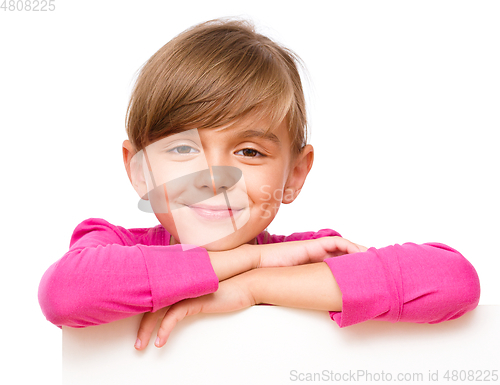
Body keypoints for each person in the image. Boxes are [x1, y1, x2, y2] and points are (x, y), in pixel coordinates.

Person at [38, 18, 480, 351]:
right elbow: (67, 294)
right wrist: (255, 257)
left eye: (249, 152)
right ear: (139, 171)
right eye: (181, 149)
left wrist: (254, 285)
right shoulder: (108, 244)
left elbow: (454, 282)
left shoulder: (306, 259)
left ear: (294, 175)